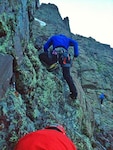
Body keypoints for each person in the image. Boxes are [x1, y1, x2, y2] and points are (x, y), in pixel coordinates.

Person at [39, 34, 79, 99]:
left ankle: (52, 63)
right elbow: (75, 43)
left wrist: (47, 54)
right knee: (67, 75)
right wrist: (76, 54)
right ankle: (74, 93)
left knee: (41, 55)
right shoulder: (68, 39)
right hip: (65, 56)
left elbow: (46, 46)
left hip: (55, 53)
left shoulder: (54, 37)